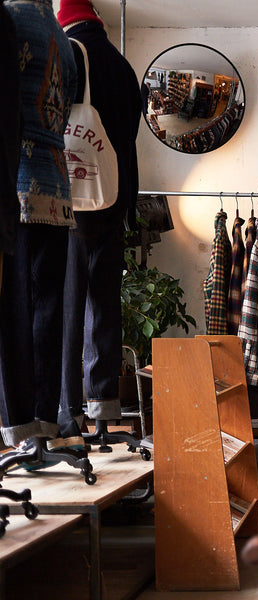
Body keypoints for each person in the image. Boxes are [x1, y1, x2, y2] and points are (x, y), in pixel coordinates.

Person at [56, 0, 143, 447]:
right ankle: (104, 409)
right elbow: (128, 137)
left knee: (69, 305)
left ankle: (68, 413)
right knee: (104, 304)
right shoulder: (124, 67)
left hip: (72, 200)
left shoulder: (66, 53)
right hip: (114, 196)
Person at [1, 0, 78, 454]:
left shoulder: (10, 20)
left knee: (16, 313)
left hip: (21, 183)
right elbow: (64, 113)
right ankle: (46, 422)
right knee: (48, 313)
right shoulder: (64, 41)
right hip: (58, 185)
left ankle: (22, 431)